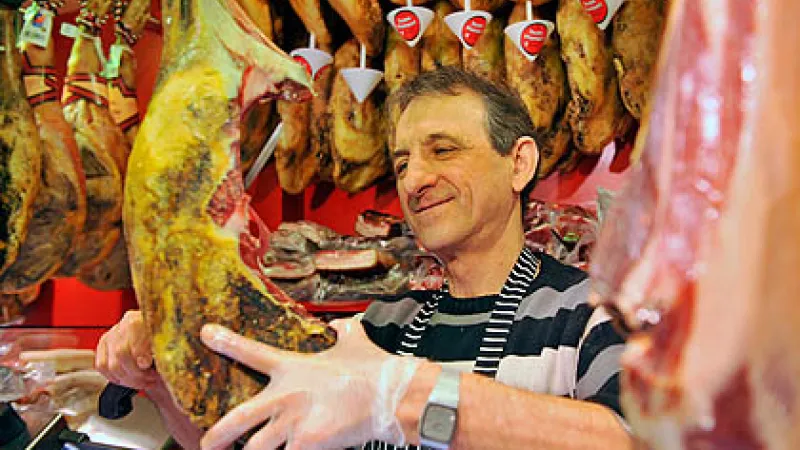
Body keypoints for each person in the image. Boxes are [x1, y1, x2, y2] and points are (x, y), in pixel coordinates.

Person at [96, 67, 633, 450]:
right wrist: (162, 374)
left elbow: (635, 439)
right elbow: (247, 439)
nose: (416, 179)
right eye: (402, 163)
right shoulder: (378, 328)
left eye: (443, 150)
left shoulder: (596, 313)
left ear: (519, 164)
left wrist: (398, 396)